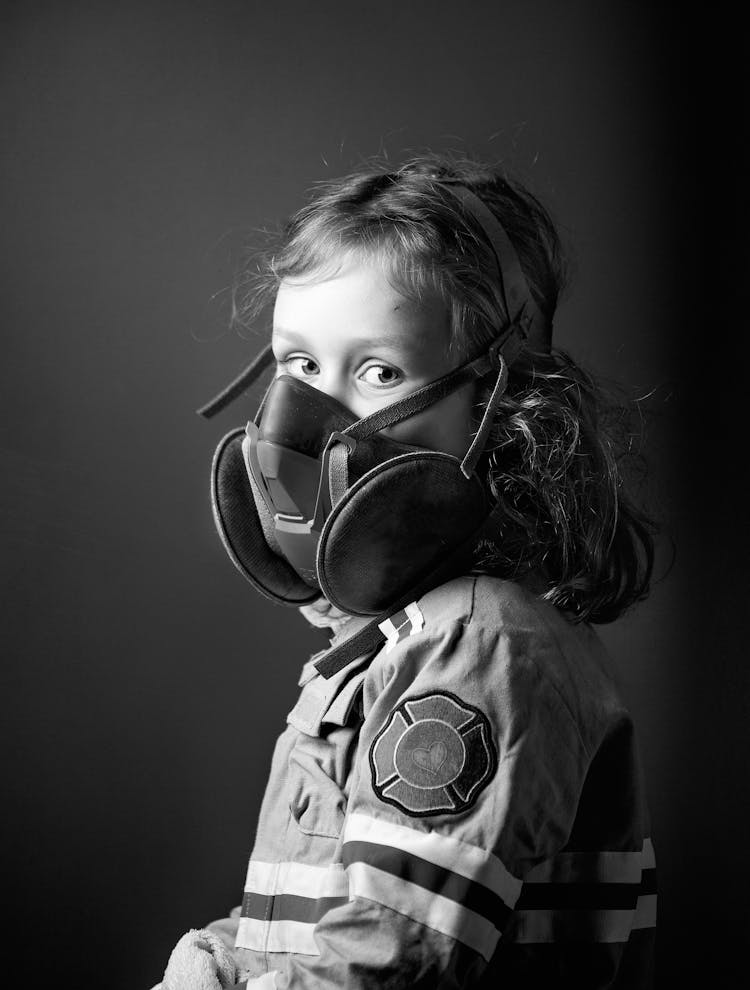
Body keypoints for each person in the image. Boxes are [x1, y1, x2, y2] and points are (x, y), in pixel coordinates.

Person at [157, 155, 658, 989]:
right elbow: (323, 926)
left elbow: (387, 966)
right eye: (299, 366)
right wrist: (221, 959)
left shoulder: (479, 647)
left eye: (379, 370)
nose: (306, 420)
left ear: (504, 407)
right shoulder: (391, 641)